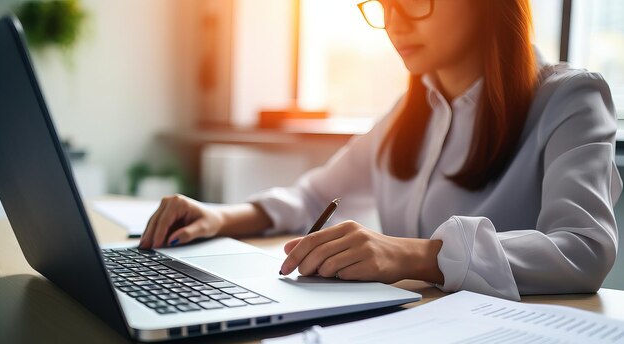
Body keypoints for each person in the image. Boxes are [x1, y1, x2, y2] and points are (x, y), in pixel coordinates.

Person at [140, 0, 622, 301]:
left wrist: (413, 255)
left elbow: (584, 247)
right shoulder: (409, 113)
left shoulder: (570, 99)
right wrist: (222, 217)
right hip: (408, 333)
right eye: (382, 2)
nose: (392, 21)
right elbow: (313, 196)